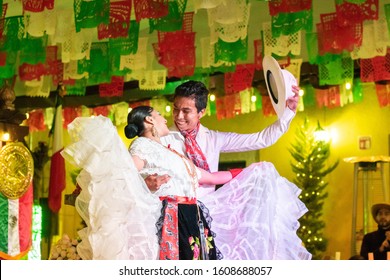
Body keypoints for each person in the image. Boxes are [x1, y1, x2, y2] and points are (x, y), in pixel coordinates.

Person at [62, 106, 311, 260]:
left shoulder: (174, 152)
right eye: (159, 115)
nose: (164, 118)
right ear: (149, 121)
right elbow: (125, 174)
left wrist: (249, 172)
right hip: (170, 217)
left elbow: (210, 177)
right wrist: (144, 182)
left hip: (193, 217)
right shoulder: (141, 146)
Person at [145, 80, 300, 198]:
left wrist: (289, 112)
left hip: (209, 215)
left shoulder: (214, 139)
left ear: (201, 112)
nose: (179, 116)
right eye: (176, 109)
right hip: (171, 217)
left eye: (186, 111)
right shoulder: (160, 139)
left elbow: (262, 139)